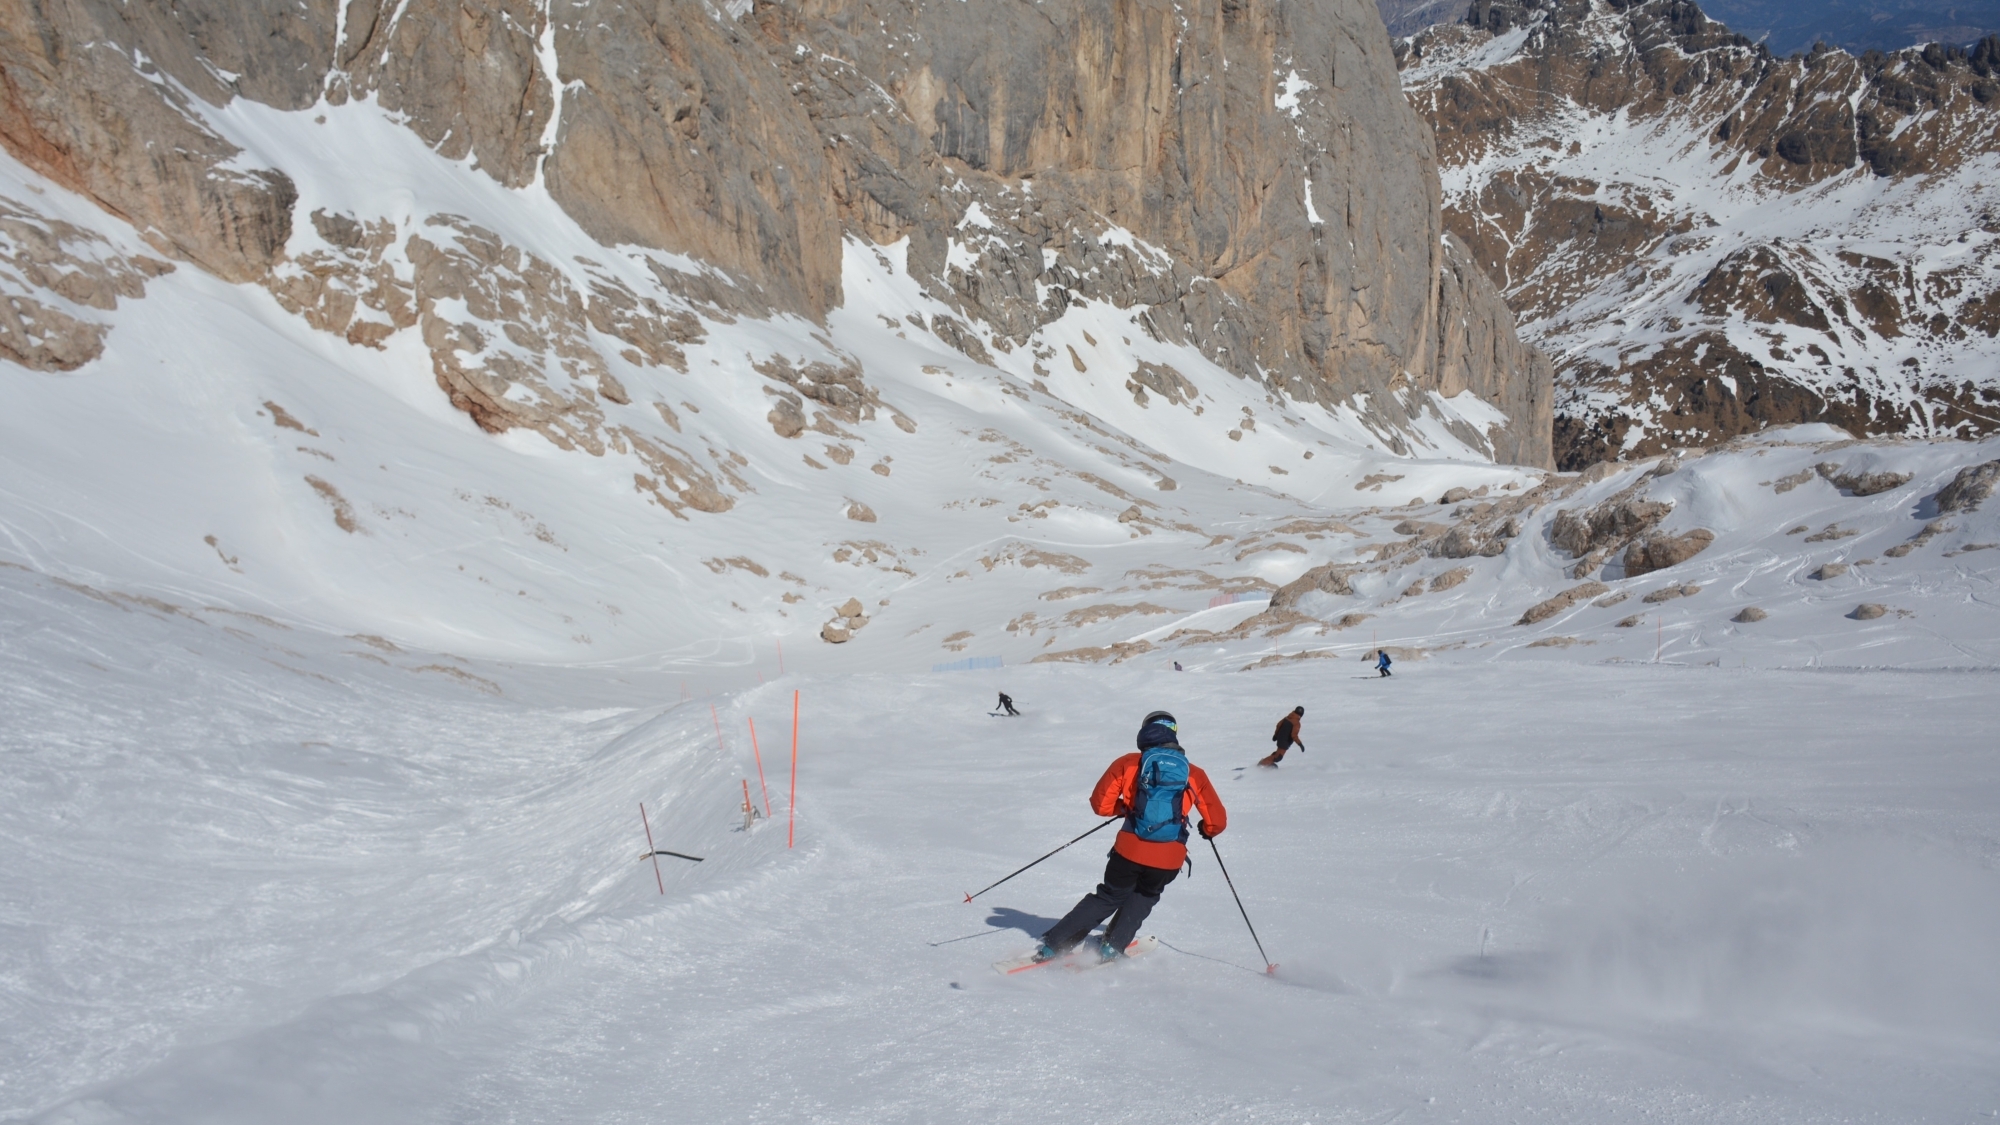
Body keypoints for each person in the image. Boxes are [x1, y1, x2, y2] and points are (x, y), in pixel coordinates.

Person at [1036, 711, 1226, 961]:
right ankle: (1111, 947)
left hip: (1129, 851)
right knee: (1144, 896)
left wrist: (1126, 808)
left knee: (1108, 896)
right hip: (1169, 858)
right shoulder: (1193, 772)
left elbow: (1100, 805)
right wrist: (1207, 829)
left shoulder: (1128, 763)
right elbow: (1217, 821)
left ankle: (1054, 946)